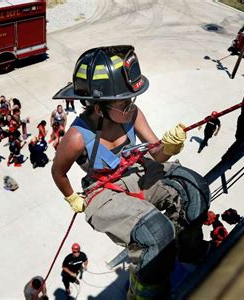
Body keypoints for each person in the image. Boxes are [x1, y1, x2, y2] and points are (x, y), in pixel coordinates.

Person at [51, 46, 211, 298]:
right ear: (98, 108)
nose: (130, 106)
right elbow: (58, 172)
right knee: (156, 233)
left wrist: (168, 147)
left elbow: (156, 152)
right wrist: (73, 197)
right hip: (103, 190)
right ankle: (144, 292)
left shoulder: (132, 114)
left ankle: (189, 250)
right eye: (124, 102)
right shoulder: (76, 137)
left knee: (194, 187)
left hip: (135, 170)